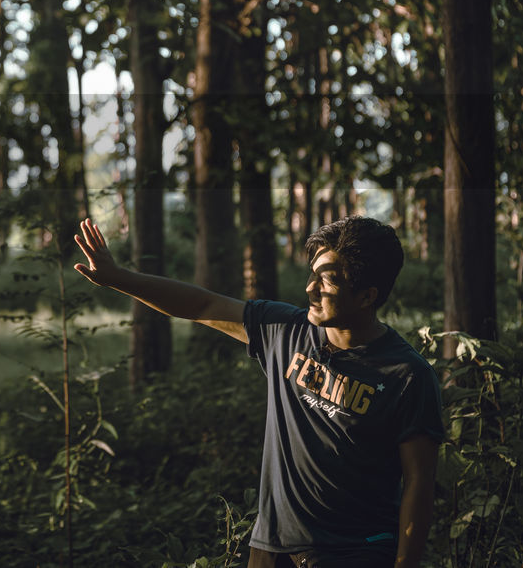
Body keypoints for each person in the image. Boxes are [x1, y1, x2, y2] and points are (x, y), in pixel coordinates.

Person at [74, 215, 443, 568]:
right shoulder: (285, 329)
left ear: (367, 296)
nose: (310, 288)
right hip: (270, 548)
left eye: (327, 281)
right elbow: (203, 305)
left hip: (353, 555)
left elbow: (418, 481)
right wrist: (118, 278)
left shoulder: (407, 374)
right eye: (312, 275)